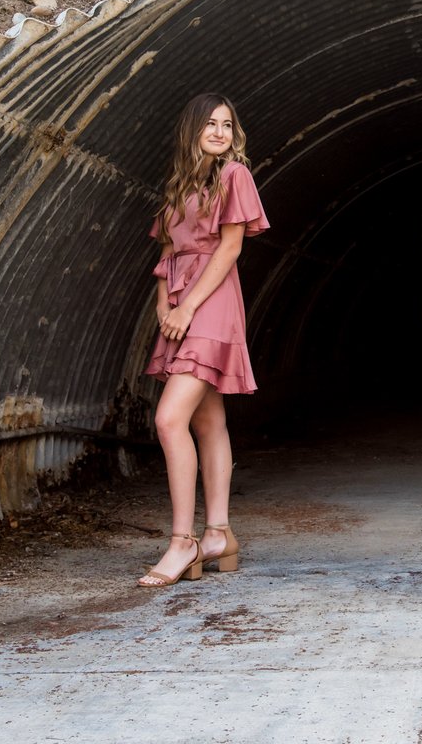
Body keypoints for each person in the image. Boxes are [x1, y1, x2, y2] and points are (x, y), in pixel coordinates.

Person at [136, 93, 269, 588]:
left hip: (211, 302)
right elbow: (168, 253)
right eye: (210, 124)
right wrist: (163, 305)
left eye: (227, 125)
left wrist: (188, 306)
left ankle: (182, 542)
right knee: (208, 420)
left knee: (169, 419)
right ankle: (218, 534)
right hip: (179, 302)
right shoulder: (179, 185)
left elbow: (230, 248)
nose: (219, 132)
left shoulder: (234, 175)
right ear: (191, 130)